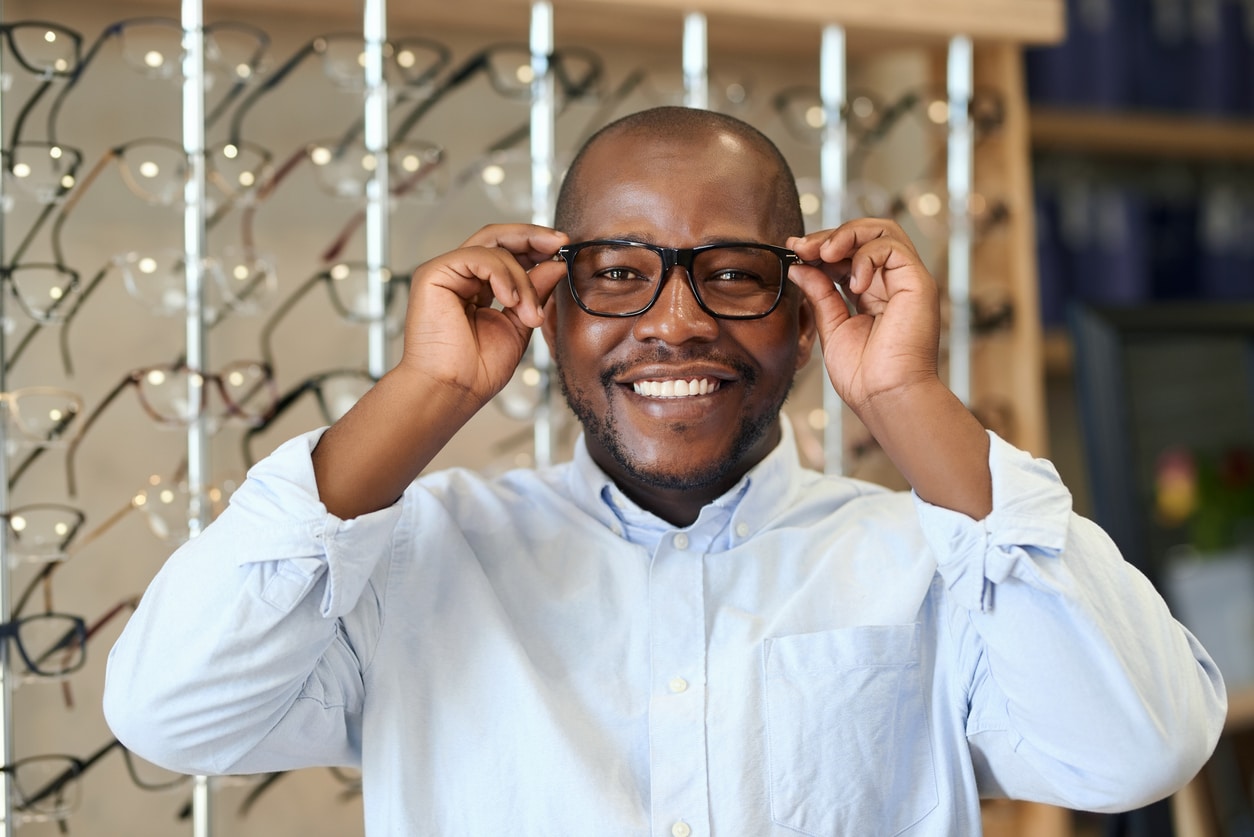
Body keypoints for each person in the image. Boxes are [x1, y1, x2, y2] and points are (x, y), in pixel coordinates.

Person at [103, 106, 1225, 836]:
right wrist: (426, 393)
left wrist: (905, 399)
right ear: (549, 309)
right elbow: (172, 713)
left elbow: (1139, 747)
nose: (676, 323)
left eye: (733, 274)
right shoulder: (416, 555)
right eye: (620, 273)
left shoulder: (926, 552)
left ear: (804, 307)